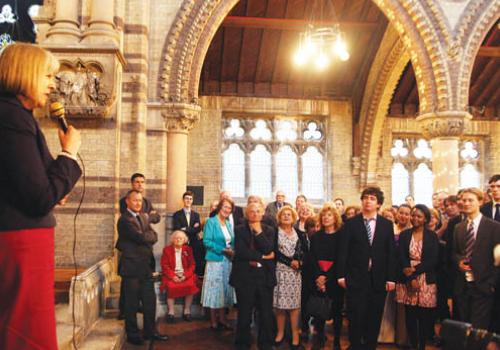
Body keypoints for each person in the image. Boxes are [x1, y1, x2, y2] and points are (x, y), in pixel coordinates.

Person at [0, 43, 82, 350]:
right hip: (21, 240)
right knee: (27, 333)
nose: (52, 84)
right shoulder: (12, 118)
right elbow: (38, 196)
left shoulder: (19, 116)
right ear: (24, 73)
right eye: (47, 75)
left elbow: (42, 185)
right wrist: (69, 152)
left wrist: (55, 186)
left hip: (23, 237)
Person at [337, 186, 397, 350]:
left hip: (378, 278)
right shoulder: (351, 223)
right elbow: (343, 251)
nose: (367, 201)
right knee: (355, 314)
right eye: (365, 198)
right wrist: (341, 275)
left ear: (378, 204)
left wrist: (391, 278)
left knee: (374, 314)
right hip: (355, 277)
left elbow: (391, 252)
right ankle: (355, 345)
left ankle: (370, 345)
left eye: (372, 198)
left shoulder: (386, 225)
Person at [116, 190, 168, 345]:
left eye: (140, 200)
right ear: (127, 201)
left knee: (149, 302)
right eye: (135, 200)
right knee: (131, 304)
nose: (138, 203)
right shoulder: (125, 220)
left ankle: (149, 332)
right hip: (131, 268)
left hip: (145, 267)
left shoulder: (142, 217)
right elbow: (140, 237)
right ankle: (132, 335)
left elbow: (153, 235)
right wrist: (148, 236)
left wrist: (148, 236)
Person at [230, 202, 276, 350]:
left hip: (264, 277)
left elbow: (269, 248)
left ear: (263, 213)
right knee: (244, 314)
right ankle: (242, 344)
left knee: (266, 314)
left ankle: (266, 344)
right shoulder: (239, 230)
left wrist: (258, 233)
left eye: (258, 211)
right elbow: (242, 252)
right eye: (252, 211)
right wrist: (264, 257)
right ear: (246, 214)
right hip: (244, 277)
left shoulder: (269, 230)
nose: (255, 214)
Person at [452, 188, 500, 330]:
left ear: (480, 202)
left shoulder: (494, 227)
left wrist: (491, 283)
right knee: (465, 327)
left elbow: (498, 259)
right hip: (463, 285)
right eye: (463, 200)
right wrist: (459, 262)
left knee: (479, 329)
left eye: (470, 200)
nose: (466, 203)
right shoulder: (458, 228)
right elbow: (454, 253)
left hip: (483, 285)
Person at [397, 205, 439, 350]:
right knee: (410, 315)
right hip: (407, 277)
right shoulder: (404, 234)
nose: (415, 218)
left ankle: (422, 345)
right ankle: (413, 344)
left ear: (425, 219)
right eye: (413, 215)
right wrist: (410, 277)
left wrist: (414, 271)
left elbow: (433, 259)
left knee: (424, 316)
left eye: (419, 216)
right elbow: (401, 256)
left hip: (426, 277)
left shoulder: (432, 236)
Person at [309, 203, 344, 350]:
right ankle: (319, 338)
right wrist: (319, 276)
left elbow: (341, 259)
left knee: (336, 310)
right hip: (318, 278)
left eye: (329, 215)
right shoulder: (316, 236)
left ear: (335, 218)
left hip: (335, 278)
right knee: (319, 311)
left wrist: (327, 277)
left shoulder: (342, 236)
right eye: (323, 215)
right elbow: (313, 258)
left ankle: (336, 340)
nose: (325, 217)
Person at [274, 206, 307, 349]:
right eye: (283, 214)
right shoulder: (274, 232)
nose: (286, 216)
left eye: (289, 214)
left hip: (295, 275)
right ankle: (280, 332)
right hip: (279, 272)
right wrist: (289, 262)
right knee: (279, 305)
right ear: (279, 217)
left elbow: (306, 252)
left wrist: (299, 262)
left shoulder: (300, 233)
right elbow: (273, 252)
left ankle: (295, 334)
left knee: (294, 306)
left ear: (293, 217)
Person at [202, 197, 236, 330]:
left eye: (229, 208)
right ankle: (213, 320)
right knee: (214, 290)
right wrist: (223, 250)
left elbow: (231, 241)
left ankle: (222, 318)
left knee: (224, 290)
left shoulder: (227, 223)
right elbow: (207, 241)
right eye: (225, 207)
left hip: (227, 261)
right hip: (215, 260)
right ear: (219, 207)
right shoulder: (211, 222)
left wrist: (232, 250)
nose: (227, 210)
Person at [160, 230, 199, 323]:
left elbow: (192, 265)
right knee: (170, 286)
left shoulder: (188, 249)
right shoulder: (167, 250)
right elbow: (164, 265)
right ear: (172, 239)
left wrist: (185, 276)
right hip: (172, 274)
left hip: (185, 274)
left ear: (184, 240)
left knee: (190, 285)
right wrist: (173, 276)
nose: (178, 240)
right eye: (176, 238)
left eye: (180, 238)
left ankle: (187, 311)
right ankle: (171, 312)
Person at [173, 191, 204, 276]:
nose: (188, 200)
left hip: (194, 242)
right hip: (182, 242)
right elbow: (177, 229)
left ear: (192, 201)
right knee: (183, 262)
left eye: (190, 199)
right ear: (183, 200)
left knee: (193, 261)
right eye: (186, 198)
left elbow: (198, 229)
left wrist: (185, 228)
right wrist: (191, 228)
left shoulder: (196, 215)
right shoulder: (177, 214)